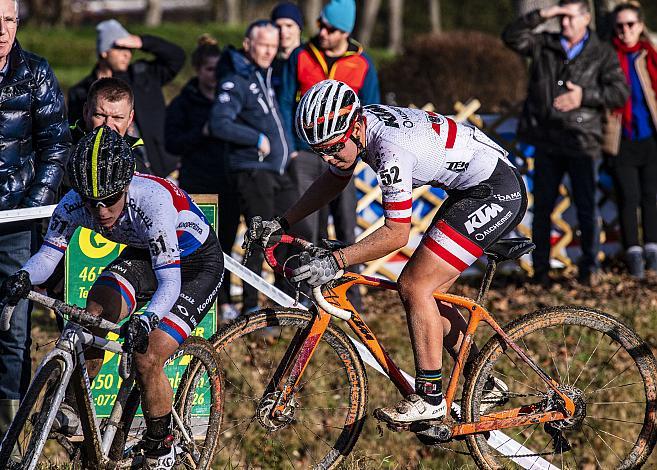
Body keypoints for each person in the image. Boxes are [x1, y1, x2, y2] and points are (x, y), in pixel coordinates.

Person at [251, 79, 527, 423]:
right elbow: (335, 179)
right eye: (319, 150)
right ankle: (484, 382)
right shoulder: (355, 129)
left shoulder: (390, 149)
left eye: (333, 148)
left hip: (495, 189)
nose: (328, 157)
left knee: (415, 285)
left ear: (354, 127)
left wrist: (337, 260)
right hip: (471, 186)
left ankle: (430, 397)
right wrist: (284, 221)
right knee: (430, 297)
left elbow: (396, 234)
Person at [0, 127, 223, 468]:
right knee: (92, 316)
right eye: (92, 202)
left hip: (194, 266)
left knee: (148, 355)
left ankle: (161, 446)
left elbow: (169, 283)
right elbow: (47, 257)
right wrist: (23, 277)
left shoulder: (152, 201)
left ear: (127, 186)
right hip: (144, 255)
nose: (101, 211)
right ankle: (73, 409)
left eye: (109, 200)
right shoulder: (74, 203)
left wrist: (146, 320)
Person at [502, 0, 629, 286]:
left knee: (587, 207)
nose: (565, 23)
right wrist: (544, 14)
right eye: (561, 17)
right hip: (547, 138)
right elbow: (511, 37)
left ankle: (589, 270)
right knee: (543, 208)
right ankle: (541, 270)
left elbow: (619, 92)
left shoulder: (601, 52)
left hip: (583, 141)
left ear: (586, 19)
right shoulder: (545, 44)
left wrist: (583, 97)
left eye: (571, 17)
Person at [279, 0, 380, 309]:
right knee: (308, 227)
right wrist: (293, 150)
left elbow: (371, 110)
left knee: (347, 223)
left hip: (347, 154)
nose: (322, 32)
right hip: (306, 154)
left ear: (345, 32)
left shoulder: (362, 64)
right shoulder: (301, 56)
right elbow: (283, 102)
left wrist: (360, 154)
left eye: (331, 28)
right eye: (321, 25)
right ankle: (309, 298)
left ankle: (354, 295)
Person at [0, 0, 71, 438]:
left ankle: (10, 436)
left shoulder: (36, 72)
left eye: (8, 20)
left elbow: (56, 144)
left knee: (13, 330)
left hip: (17, 223)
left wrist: (34, 203)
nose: (1, 30)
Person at [209, 20, 303, 315]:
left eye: (273, 47)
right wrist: (257, 138)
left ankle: (287, 304)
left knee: (287, 235)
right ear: (248, 44)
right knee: (260, 239)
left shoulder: (268, 76)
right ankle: (251, 308)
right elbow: (219, 122)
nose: (268, 51)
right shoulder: (236, 78)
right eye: (263, 45)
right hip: (253, 170)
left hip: (279, 171)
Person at [165, 34, 240, 320]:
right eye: (210, 69)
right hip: (197, 186)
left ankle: (225, 305)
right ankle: (198, 307)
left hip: (229, 184)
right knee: (202, 249)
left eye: (219, 69)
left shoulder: (231, 98)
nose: (215, 75)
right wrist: (202, 133)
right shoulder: (185, 101)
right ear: (198, 69)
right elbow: (171, 142)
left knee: (227, 246)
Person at [68, 19, 185, 178]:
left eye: (130, 49)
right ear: (104, 52)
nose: (127, 54)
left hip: (163, 170)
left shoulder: (143, 74)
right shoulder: (81, 92)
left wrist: (142, 41)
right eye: (120, 47)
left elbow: (177, 57)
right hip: (114, 176)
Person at [606, 2, 657, 279]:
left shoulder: (650, 54)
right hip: (620, 139)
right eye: (620, 26)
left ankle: (653, 253)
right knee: (629, 198)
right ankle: (634, 256)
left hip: (650, 136)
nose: (625, 31)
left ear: (640, 25)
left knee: (652, 197)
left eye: (630, 24)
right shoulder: (608, 57)